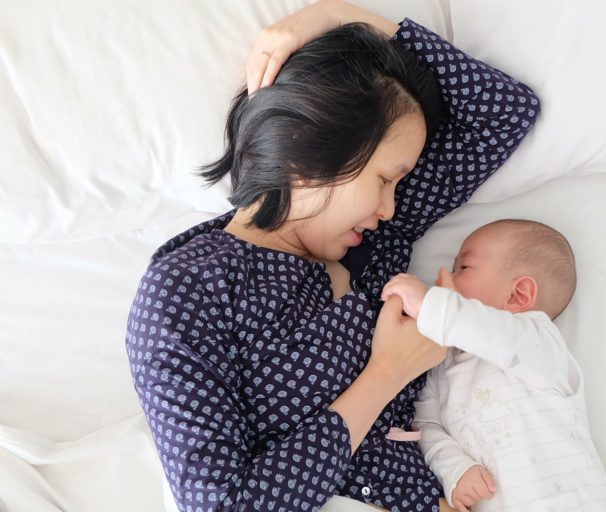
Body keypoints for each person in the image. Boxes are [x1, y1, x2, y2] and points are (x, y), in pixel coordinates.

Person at [124, 0, 540, 510]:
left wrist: (337, 17)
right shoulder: (187, 289)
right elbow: (223, 504)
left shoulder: (376, 241)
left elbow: (503, 112)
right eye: (386, 179)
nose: (390, 207)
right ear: (307, 150)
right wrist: (386, 374)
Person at [381, 219, 606, 512]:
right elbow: (427, 424)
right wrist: (456, 468)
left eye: (464, 268)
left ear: (517, 295)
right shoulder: (442, 360)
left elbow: (487, 332)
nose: (444, 276)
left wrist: (432, 306)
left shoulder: (537, 341)